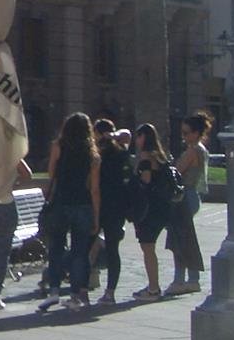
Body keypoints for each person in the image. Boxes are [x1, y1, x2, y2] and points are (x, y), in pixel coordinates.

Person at [38, 112, 101, 313]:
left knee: (56, 247)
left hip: (60, 203)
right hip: (82, 204)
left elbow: (51, 173)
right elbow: (94, 188)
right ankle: (75, 294)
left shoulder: (58, 146)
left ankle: (54, 290)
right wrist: (96, 216)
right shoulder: (92, 154)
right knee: (79, 252)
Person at [165, 112, 210, 296]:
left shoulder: (193, 151)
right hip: (191, 196)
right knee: (185, 239)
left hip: (185, 195)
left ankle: (181, 280)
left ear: (196, 132)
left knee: (178, 239)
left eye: (186, 133)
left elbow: (176, 172)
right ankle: (190, 279)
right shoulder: (200, 149)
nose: (183, 136)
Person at [0, 157, 34, 312]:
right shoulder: (11, 150)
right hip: (5, 202)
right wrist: (12, 184)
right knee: (2, 251)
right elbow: (27, 174)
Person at [129, 124, 174, 299]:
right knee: (149, 247)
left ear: (143, 137)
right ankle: (153, 285)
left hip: (149, 209)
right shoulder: (161, 156)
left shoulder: (146, 157)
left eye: (138, 136)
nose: (136, 140)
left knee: (147, 248)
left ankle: (153, 288)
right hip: (161, 207)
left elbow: (146, 180)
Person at [92, 121, 134, 306]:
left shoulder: (97, 155)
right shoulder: (122, 153)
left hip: (99, 206)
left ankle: (84, 287)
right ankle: (110, 292)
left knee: (88, 244)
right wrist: (113, 136)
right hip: (117, 207)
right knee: (112, 250)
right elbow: (127, 135)